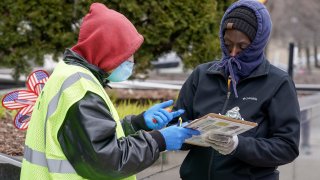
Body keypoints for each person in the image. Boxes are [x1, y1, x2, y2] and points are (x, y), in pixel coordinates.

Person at [20, 3, 199, 180]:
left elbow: (88, 140)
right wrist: (159, 140)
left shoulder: (69, 73)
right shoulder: (82, 90)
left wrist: (137, 123)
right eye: (126, 54)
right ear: (107, 49)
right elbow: (109, 161)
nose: (131, 61)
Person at [172, 0, 300, 179]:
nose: (232, 53)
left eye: (242, 47)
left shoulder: (278, 83)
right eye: (227, 43)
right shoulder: (202, 75)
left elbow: (287, 147)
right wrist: (176, 130)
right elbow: (177, 125)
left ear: (258, 42)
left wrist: (238, 145)